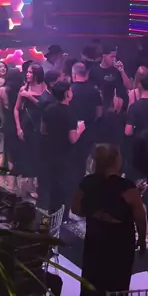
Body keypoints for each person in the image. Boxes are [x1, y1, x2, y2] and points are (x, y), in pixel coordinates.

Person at [72, 144, 147, 296]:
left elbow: (75, 208)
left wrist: (95, 213)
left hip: (95, 240)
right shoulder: (127, 187)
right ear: (116, 160)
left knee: (92, 277)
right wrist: (141, 241)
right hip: (120, 243)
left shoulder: (87, 183)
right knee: (117, 281)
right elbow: (140, 217)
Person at [0, 201, 63, 296]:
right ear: (33, 219)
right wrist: (44, 226)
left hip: (14, 285)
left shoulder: (8, 237)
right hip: (36, 281)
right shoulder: (39, 239)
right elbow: (47, 255)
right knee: (57, 281)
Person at [40, 80, 85, 215]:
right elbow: (72, 139)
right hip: (65, 155)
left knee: (52, 184)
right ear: (67, 94)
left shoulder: (48, 109)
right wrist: (80, 129)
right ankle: (62, 216)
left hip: (49, 152)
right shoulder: (70, 113)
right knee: (64, 186)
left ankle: (50, 213)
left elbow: (43, 130)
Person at [70, 62, 103, 197]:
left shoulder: (70, 90)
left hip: (73, 131)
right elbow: (99, 112)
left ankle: (75, 191)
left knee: (75, 163)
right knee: (90, 162)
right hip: (90, 131)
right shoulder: (94, 90)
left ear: (74, 74)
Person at [14, 64, 46, 188]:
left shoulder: (45, 87)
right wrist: (18, 128)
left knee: (41, 154)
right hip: (27, 124)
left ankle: (40, 183)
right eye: (27, 72)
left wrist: (29, 96)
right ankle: (29, 185)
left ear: (37, 74)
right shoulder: (23, 89)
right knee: (28, 154)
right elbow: (16, 109)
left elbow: (44, 106)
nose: (27, 74)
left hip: (42, 124)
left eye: (30, 72)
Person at [0, 68, 24, 172]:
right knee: (20, 147)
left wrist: (3, 122)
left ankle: (10, 169)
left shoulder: (2, 90)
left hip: (8, 121)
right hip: (21, 120)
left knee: (9, 147)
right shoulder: (22, 89)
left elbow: (0, 110)